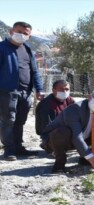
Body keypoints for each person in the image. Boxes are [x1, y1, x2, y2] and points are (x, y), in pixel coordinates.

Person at [40, 86, 94, 173]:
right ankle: (59, 164)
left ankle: (85, 159)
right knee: (62, 132)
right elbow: (77, 136)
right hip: (57, 139)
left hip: (82, 138)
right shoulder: (75, 109)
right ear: (90, 97)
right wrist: (93, 160)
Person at [0, 21, 44, 161]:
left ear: (29, 36)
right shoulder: (2, 48)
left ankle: (18, 147)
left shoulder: (28, 49)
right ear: (11, 31)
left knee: (20, 121)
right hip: (7, 91)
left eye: (25, 33)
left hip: (26, 91)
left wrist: (39, 89)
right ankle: (9, 150)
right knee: (9, 121)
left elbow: (35, 71)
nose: (21, 35)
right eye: (18, 31)